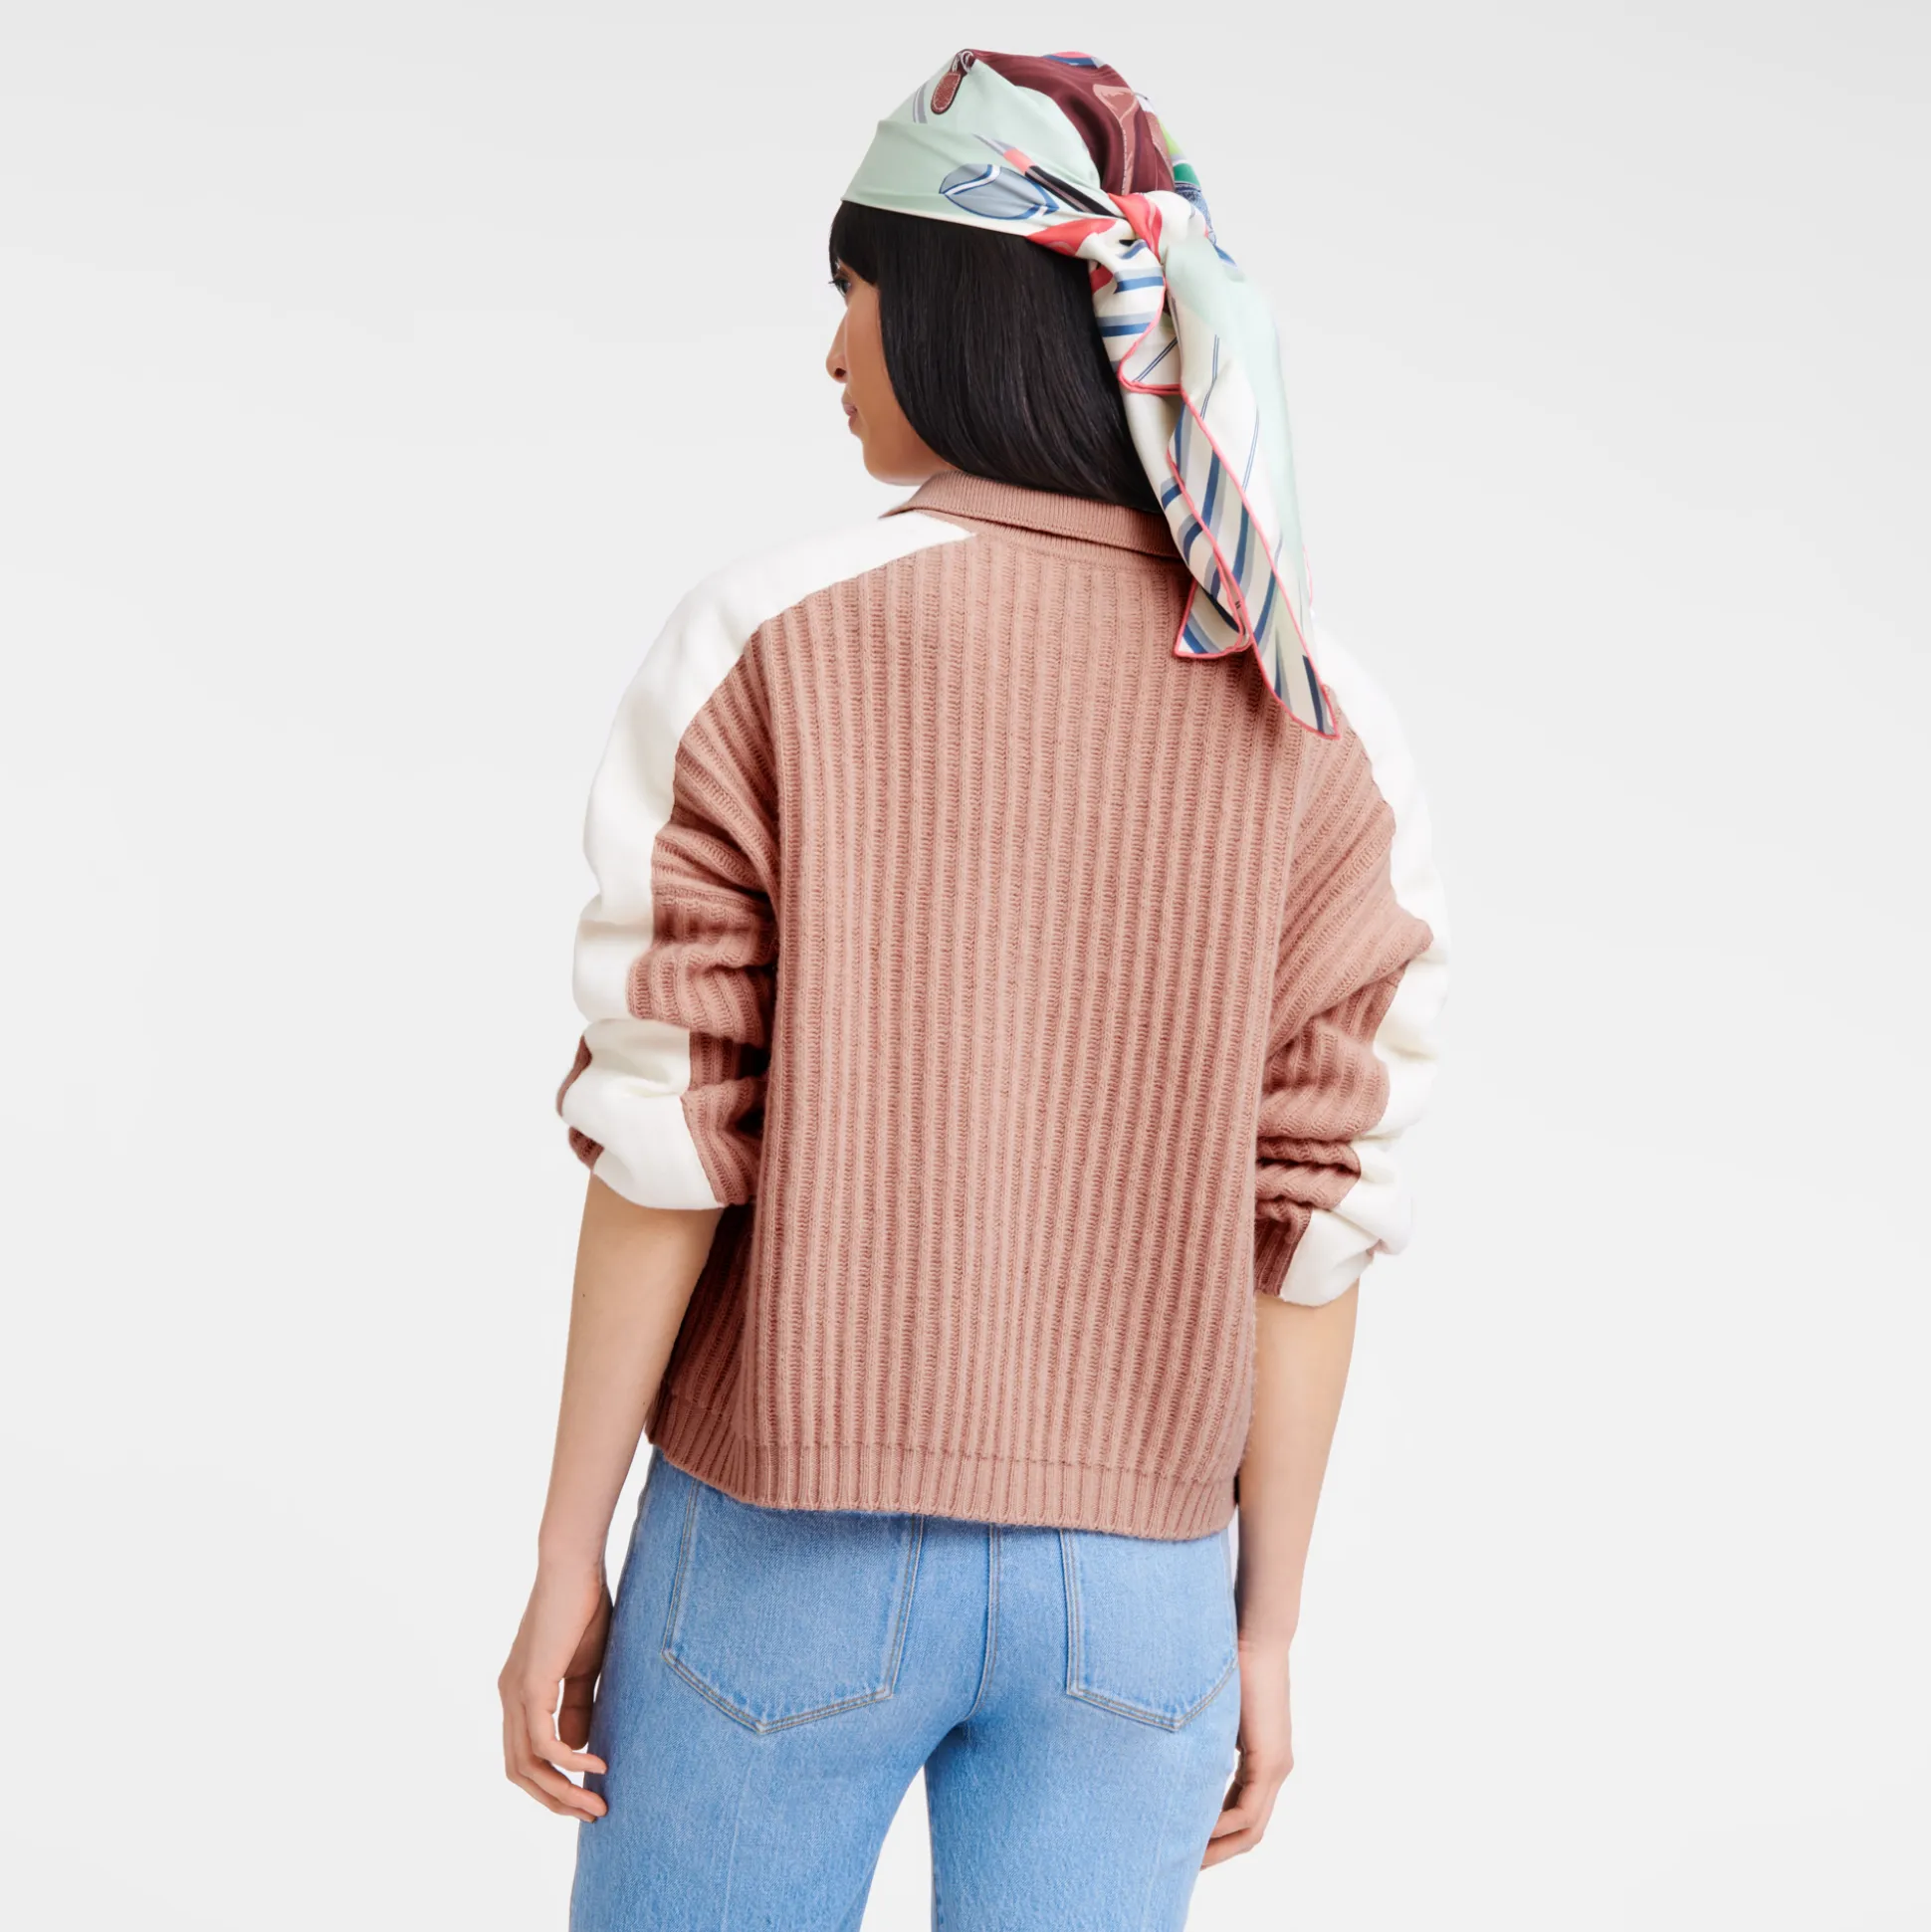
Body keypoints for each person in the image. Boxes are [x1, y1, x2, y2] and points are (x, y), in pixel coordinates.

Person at [499, 46, 1449, 1931]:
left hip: (784, 1547)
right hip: (1140, 1592)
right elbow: (1316, 1220)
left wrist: (563, 1556)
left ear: (949, 306)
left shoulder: (767, 638)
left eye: (850, 292)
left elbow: (671, 1137)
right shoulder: (1312, 701)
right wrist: (1263, 1630)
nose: (830, 352)